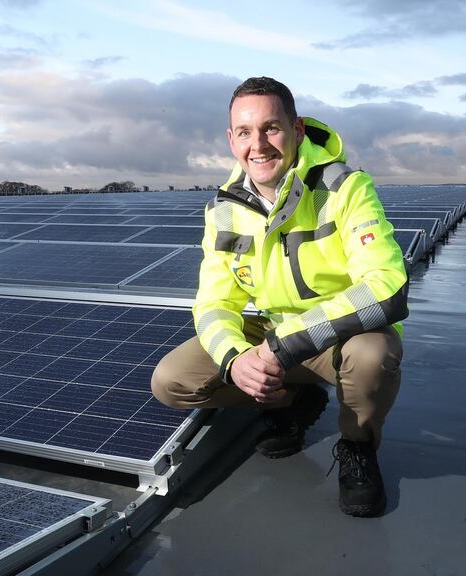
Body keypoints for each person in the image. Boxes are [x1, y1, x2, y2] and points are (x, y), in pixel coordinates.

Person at [151, 76, 408, 517]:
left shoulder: (345, 188)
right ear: (231, 140)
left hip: (337, 337)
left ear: (298, 130)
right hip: (272, 334)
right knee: (172, 381)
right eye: (245, 132)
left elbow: (386, 287)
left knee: (372, 356)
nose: (259, 145)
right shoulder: (223, 209)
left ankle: (357, 446)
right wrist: (236, 360)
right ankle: (291, 400)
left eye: (272, 128)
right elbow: (213, 303)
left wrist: (281, 347)